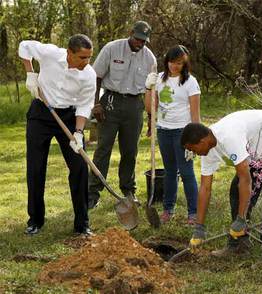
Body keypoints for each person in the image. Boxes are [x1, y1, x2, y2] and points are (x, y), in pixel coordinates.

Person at [181, 110, 262, 263]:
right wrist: (199, 228)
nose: (193, 153)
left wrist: (241, 217)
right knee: (236, 191)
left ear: (202, 141)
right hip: (258, 148)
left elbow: (246, 180)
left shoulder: (229, 137)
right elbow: (205, 188)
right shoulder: (207, 151)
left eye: (192, 149)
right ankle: (239, 244)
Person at [19, 34, 96, 236]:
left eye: (89, 57)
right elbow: (24, 46)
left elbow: (84, 104)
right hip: (41, 112)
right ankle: (35, 220)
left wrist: (78, 133)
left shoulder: (88, 75)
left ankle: (82, 224)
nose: (86, 62)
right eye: (82, 57)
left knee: (79, 166)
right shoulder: (51, 53)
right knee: (36, 167)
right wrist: (30, 74)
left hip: (70, 117)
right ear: (69, 53)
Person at [88, 21, 156, 208]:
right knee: (103, 148)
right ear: (130, 33)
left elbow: (151, 89)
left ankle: (128, 190)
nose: (139, 44)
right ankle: (93, 192)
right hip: (110, 102)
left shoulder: (149, 58)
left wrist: (151, 117)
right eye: (137, 39)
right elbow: (96, 76)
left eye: (143, 41)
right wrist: (96, 104)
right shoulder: (112, 48)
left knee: (130, 151)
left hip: (135, 105)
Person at [144, 45, 200, 225]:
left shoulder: (190, 82)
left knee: (186, 171)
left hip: (183, 132)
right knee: (169, 171)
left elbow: (195, 114)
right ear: (166, 60)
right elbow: (149, 107)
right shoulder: (158, 79)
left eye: (179, 63)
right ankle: (168, 209)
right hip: (164, 130)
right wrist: (148, 87)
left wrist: (194, 139)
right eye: (172, 62)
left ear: (185, 64)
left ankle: (193, 212)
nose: (174, 66)